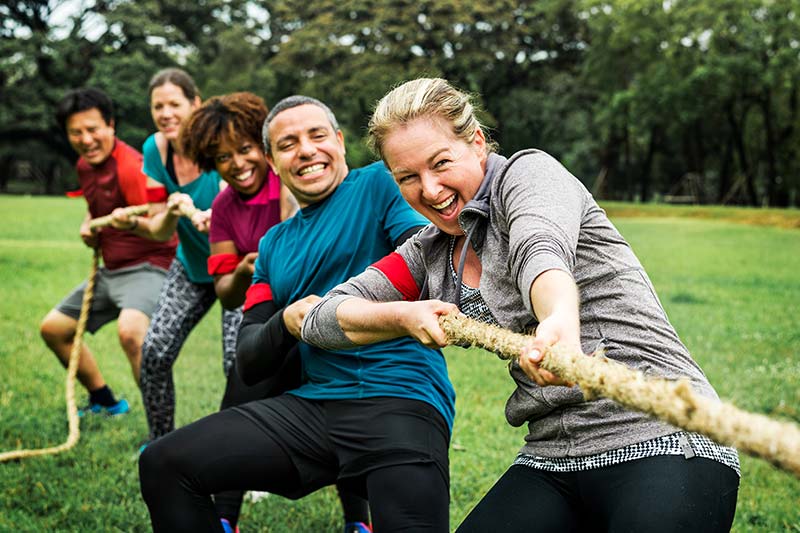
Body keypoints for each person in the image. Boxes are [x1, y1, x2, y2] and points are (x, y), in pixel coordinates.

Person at [301, 78, 741, 532]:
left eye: (440, 163)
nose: (429, 190)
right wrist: (402, 315)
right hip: (552, 458)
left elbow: (540, 251)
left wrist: (559, 324)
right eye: (408, 178)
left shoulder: (528, 176)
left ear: (475, 143)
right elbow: (323, 319)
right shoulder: (426, 252)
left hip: (662, 436)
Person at [139, 95, 455, 533]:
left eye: (317, 135)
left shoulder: (379, 186)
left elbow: (427, 260)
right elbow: (249, 360)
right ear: (272, 160)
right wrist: (286, 320)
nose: (305, 150)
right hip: (315, 410)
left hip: (400, 401)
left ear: (340, 142)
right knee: (163, 463)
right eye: (288, 144)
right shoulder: (272, 246)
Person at [178, 91, 365, 533]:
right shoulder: (224, 208)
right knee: (238, 400)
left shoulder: (294, 178)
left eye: (244, 150)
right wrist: (246, 269)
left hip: (327, 313)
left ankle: (360, 522)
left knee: (347, 408)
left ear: (263, 152)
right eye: (222, 157)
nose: (238, 163)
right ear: (211, 162)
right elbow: (225, 292)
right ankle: (225, 518)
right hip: (270, 319)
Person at [119, 68, 238, 444]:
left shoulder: (221, 144)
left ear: (195, 104)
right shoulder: (156, 150)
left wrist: (218, 213)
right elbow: (158, 230)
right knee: (153, 352)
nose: (166, 113)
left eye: (174, 104)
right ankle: (160, 444)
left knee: (239, 366)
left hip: (239, 269)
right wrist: (162, 214)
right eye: (158, 106)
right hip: (190, 268)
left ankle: (250, 460)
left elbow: (244, 196)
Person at [40, 88, 176, 416]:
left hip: (149, 266)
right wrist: (90, 224)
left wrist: (128, 224)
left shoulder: (133, 167)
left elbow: (162, 226)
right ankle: (105, 401)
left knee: (131, 331)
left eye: (93, 129)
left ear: (111, 125)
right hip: (111, 271)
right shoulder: (86, 167)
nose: (86, 139)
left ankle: (162, 430)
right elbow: (97, 207)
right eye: (76, 132)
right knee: (54, 329)